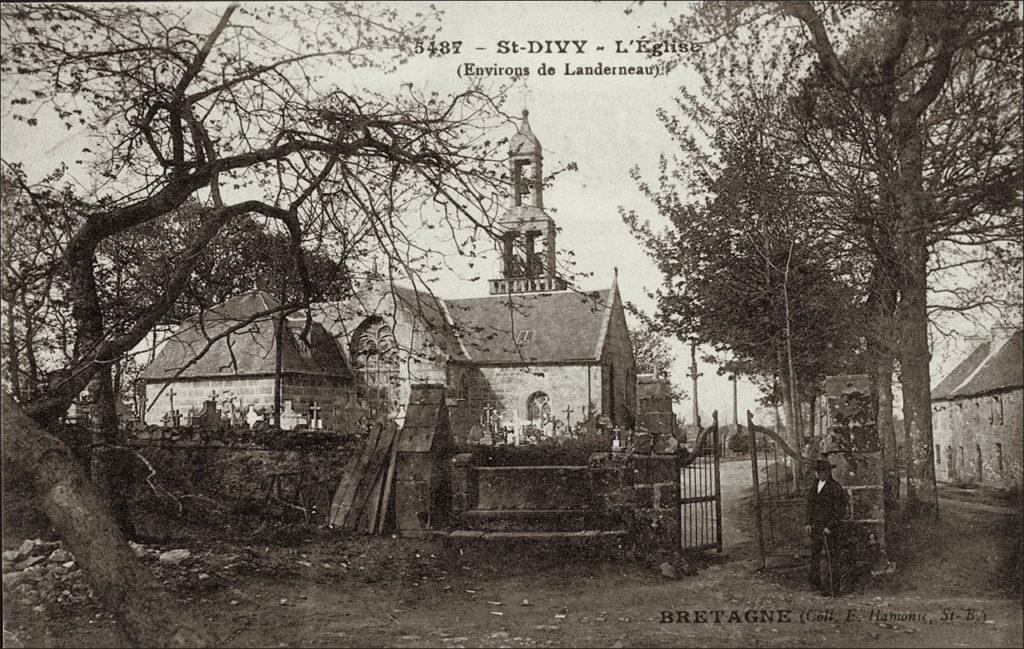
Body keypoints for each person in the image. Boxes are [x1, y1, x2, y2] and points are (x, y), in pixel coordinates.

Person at [804, 457, 849, 595]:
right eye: (819, 471)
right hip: (816, 527)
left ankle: (833, 588)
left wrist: (830, 526)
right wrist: (808, 522)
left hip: (830, 528)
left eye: (824, 471)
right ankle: (815, 583)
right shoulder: (815, 485)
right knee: (815, 555)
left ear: (829, 471)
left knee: (831, 557)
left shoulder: (835, 488)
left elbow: (840, 511)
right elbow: (810, 504)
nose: (822, 473)